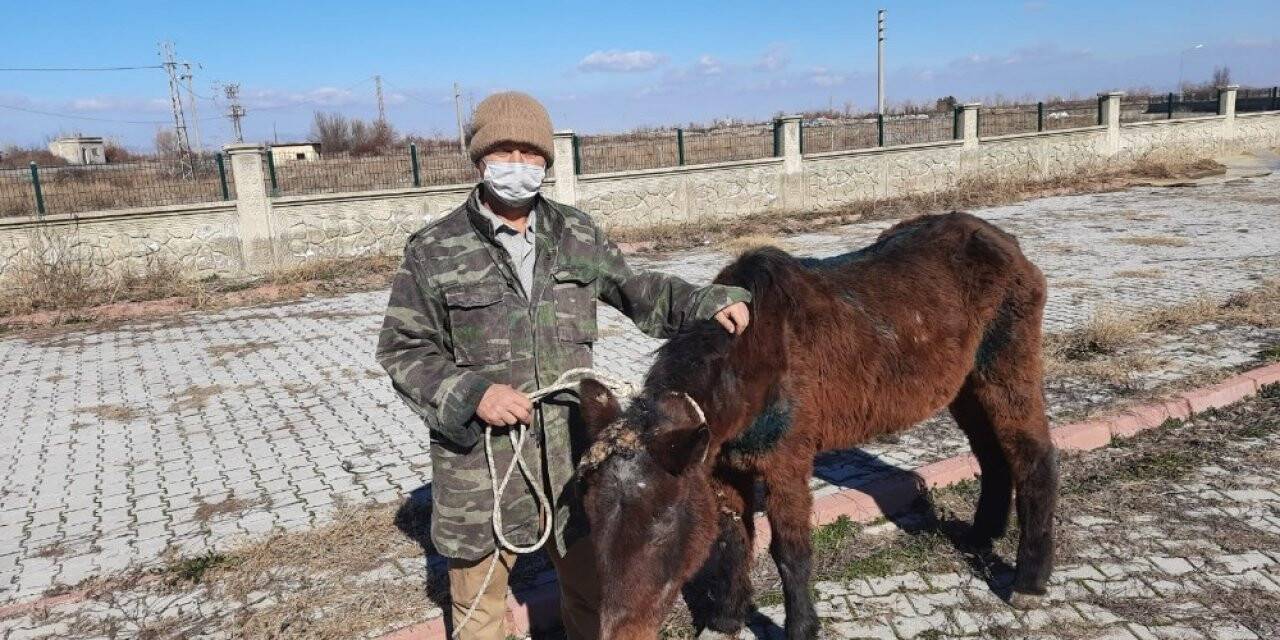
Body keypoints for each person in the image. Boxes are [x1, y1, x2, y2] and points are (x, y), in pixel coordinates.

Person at [376, 91, 751, 640]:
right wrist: (473, 392)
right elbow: (403, 348)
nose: (519, 166)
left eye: (532, 154)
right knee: (480, 615)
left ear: (547, 162)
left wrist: (709, 301)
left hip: (577, 463)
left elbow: (638, 291)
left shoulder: (575, 234)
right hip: (482, 468)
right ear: (480, 159)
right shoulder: (434, 249)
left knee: (592, 599)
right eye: (504, 151)